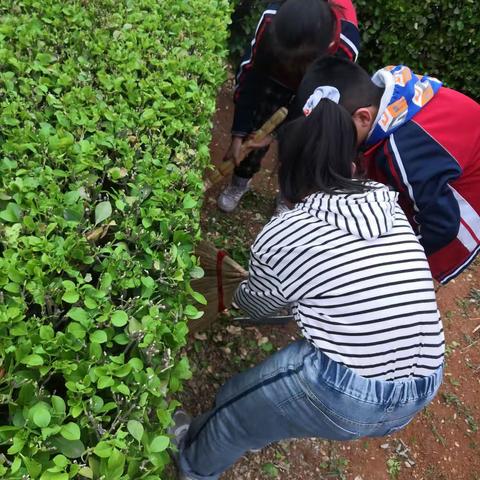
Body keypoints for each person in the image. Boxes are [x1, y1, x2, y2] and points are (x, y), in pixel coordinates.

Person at [170, 97, 444, 480]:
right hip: (427, 380)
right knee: (244, 397)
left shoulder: (286, 232)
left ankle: (192, 466)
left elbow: (255, 308)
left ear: (289, 173)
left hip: (351, 394)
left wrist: (253, 288)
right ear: (348, 163)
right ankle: (222, 432)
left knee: (233, 417)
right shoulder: (388, 203)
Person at [290, 56, 480, 284]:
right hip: (445, 160)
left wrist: (385, 264)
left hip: (464, 199)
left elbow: (442, 227)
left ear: (363, 117)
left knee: (391, 270)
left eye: (336, 135)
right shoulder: (388, 96)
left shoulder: (402, 153)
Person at [217, 0, 360, 213]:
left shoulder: (345, 46)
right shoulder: (272, 18)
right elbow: (251, 75)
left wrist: (278, 133)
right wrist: (239, 133)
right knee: (256, 126)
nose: (292, 66)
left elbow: (323, 105)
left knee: (303, 143)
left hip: (317, 89)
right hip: (273, 75)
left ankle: (287, 195)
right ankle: (240, 180)